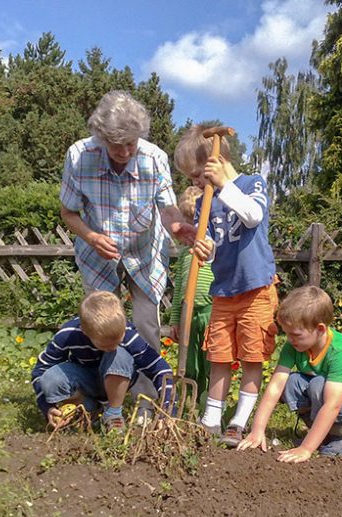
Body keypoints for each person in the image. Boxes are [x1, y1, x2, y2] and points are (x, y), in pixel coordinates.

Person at [59, 90, 195, 414]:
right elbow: (68, 213)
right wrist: (91, 237)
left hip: (145, 252)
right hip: (98, 254)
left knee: (147, 322)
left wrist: (178, 226)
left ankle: (147, 402)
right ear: (101, 136)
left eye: (130, 143)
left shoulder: (154, 158)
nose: (124, 151)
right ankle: (106, 399)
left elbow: (168, 210)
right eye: (116, 145)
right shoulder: (79, 156)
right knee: (102, 325)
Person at [174, 123, 278, 447]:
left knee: (251, 356)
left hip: (256, 288)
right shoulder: (206, 202)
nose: (194, 183)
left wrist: (224, 185)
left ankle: (238, 421)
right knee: (218, 356)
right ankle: (211, 418)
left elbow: (253, 217)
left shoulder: (251, 184)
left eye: (196, 176)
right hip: (222, 291)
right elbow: (212, 243)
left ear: (215, 164)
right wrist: (204, 249)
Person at [237, 286, 342, 463]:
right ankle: (320, 434)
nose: (289, 339)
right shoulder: (294, 346)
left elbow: (333, 405)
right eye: (286, 333)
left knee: (318, 385)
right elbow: (276, 386)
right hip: (327, 390)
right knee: (291, 382)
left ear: (320, 329)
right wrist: (257, 430)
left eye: (295, 334)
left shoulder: (341, 352)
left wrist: (305, 449)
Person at [31, 290, 174, 431]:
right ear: (86, 332)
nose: (112, 346)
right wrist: (46, 407)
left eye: (118, 340)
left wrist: (168, 409)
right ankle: (87, 408)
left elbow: (161, 370)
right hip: (84, 380)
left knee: (120, 354)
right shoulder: (68, 334)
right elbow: (40, 370)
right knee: (50, 379)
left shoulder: (127, 333)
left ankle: (113, 414)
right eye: (106, 345)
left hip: (117, 376)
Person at [168, 185, 214, 402]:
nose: (193, 227)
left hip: (211, 312)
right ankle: (191, 404)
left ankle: (210, 404)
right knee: (190, 361)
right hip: (189, 314)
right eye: (188, 219)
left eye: (197, 220)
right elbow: (179, 290)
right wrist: (175, 319)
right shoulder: (185, 252)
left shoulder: (213, 249)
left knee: (211, 361)